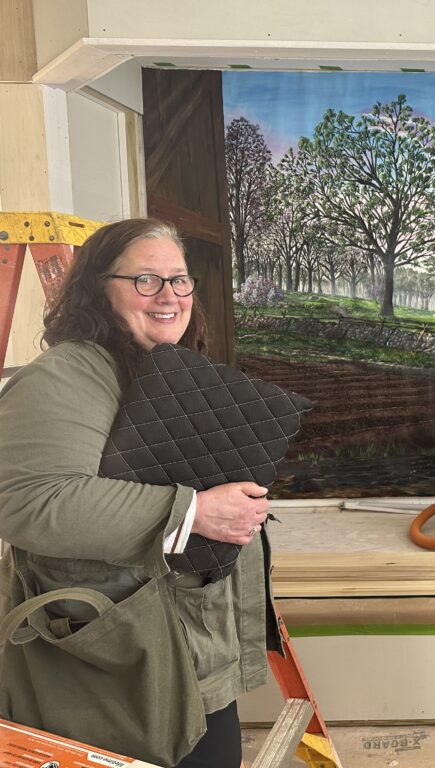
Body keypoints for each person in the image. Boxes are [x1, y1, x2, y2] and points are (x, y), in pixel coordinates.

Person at [0, 219, 275, 767]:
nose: (169, 295)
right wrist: (194, 512)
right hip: (114, 671)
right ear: (99, 288)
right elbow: (29, 502)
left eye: (179, 279)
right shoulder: (65, 377)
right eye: (145, 280)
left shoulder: (160, 370)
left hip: (189, 654)